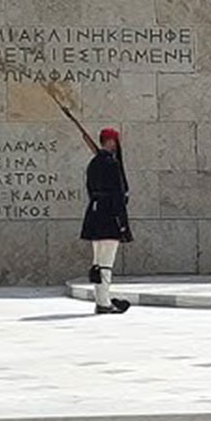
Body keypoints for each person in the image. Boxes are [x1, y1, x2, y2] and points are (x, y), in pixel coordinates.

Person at [80, 127, 132, 315]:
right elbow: (119, 194)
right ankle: (103, 303)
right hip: (110, 216)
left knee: (97, 263)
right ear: (110, 142)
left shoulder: (93, 164)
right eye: (115, 142)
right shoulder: (112, 164)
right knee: (106, 264)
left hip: (95, 215)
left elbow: (89, 190)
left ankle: (102, 299)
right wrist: (123, 223)